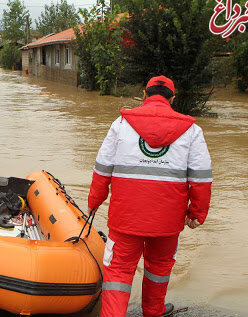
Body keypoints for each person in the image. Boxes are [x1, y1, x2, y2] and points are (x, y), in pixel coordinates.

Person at [88, 76, 212, 317]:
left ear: (144, 94)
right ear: (172, 99)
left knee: (118, 272)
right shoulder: (192, 130)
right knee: (159, 268)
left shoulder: (122, 124)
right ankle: (153, 311)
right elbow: (202, 178)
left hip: (126, 217)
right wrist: (197, 213)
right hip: (167, 221)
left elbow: (102, 168)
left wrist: (95, 201)